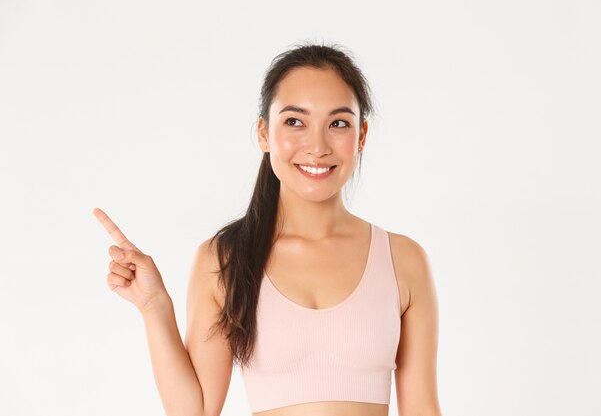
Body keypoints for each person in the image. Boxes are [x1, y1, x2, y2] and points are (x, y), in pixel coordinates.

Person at [93, 42, 442, 416]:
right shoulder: (224, 259)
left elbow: (422, 408)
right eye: (295, 121)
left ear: (361, 136)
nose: (317, 146)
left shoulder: (403, 260)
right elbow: (195, 411)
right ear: (263, 133)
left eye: (338, 123)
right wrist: (153, 306)